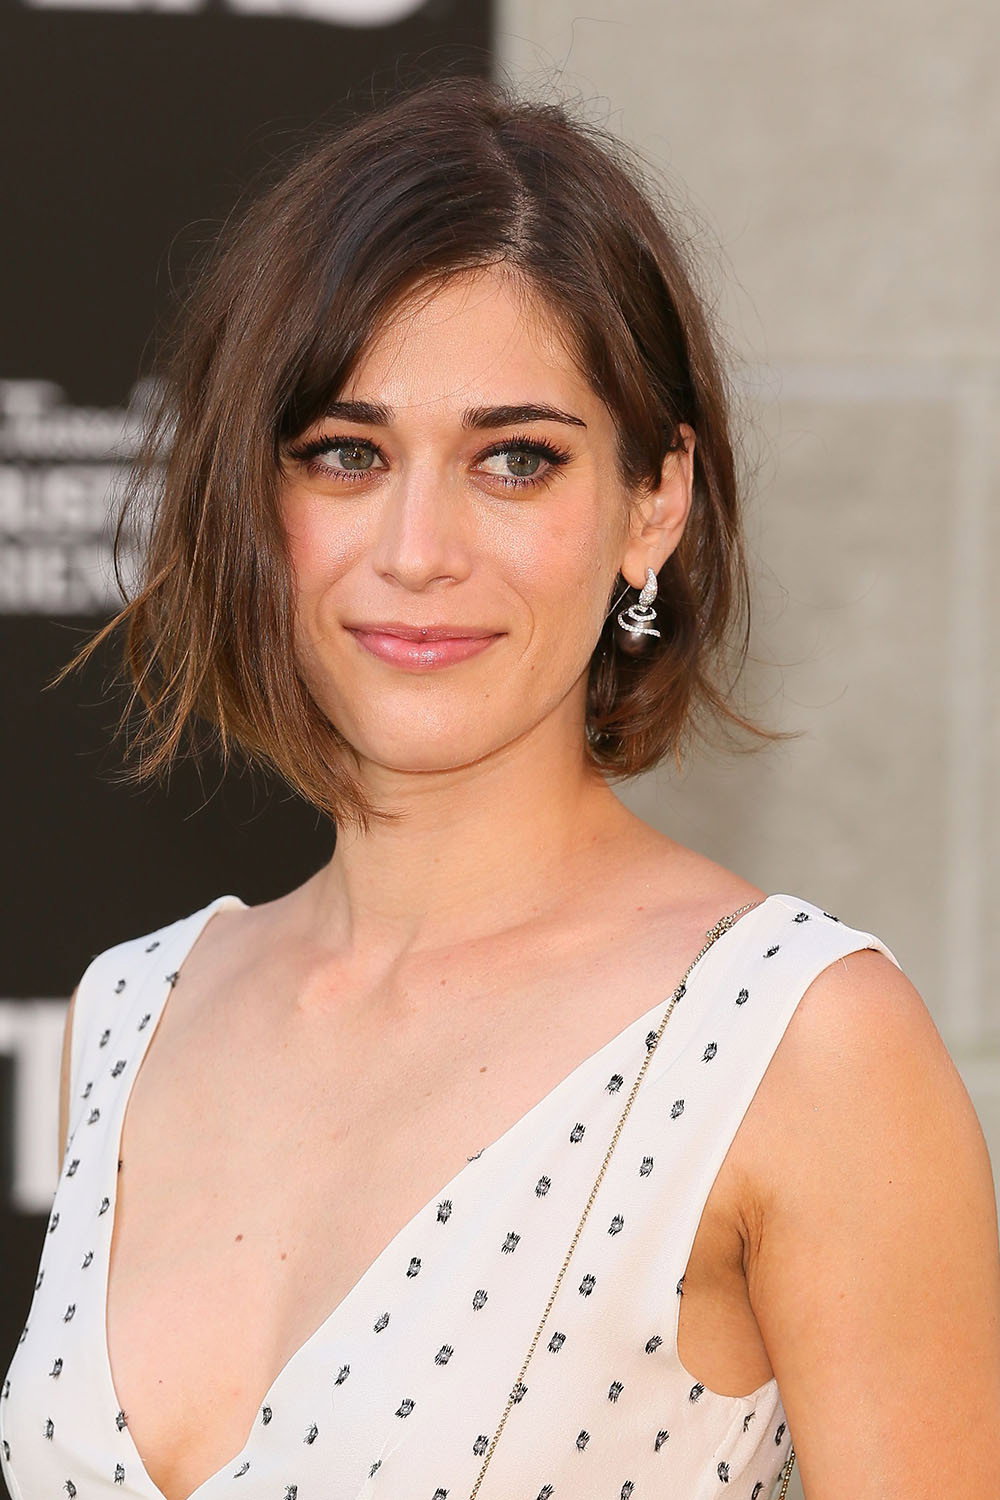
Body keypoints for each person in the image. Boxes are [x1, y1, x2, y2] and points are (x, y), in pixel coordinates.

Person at [3, 74, 998, 1500]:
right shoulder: (133, 1011)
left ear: (654, 502)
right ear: (256, 499)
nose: (419, 548)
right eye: (345, 455)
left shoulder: (798, 1044)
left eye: (516, 461)